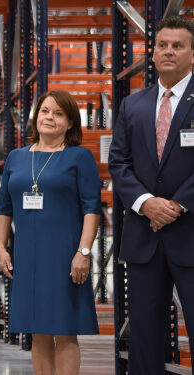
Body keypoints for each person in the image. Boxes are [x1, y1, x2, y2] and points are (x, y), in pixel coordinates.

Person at [108, 15, 194, 373]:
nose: (169, 52)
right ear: (154, 53)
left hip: (189, 233)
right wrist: (147, 203)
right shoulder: (133, 105)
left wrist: (175, 204)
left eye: (178, 46)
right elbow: (118, 162)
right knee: (143, 336)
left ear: (192, 53)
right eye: (162, 45)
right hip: (144, 237)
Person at [0, 90, 100, 375]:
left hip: (65, 256)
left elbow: (92, 209)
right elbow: (3, 208)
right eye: (44, 111)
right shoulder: (16, 158)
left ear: (69, 123)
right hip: (27, 256)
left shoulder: (79, 157)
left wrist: (83, 252)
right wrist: (3, 248)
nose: (49, 118)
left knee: (65, 330)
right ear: (35, 117)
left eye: (58, 113)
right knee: (37, 330)